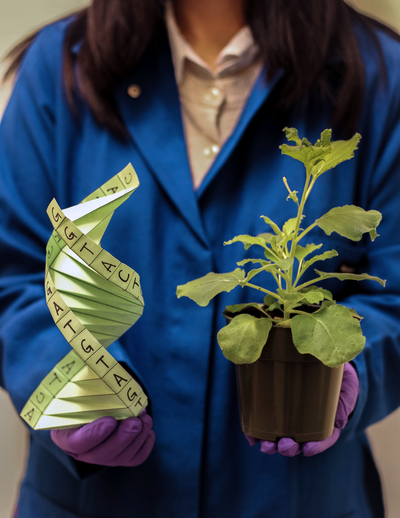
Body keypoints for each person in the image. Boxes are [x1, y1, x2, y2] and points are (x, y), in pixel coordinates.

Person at [1, 0, 400, 517]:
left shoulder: (378, 73)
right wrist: (71, 379)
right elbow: (14, 275)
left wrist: (349, 367)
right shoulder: (59, 67)